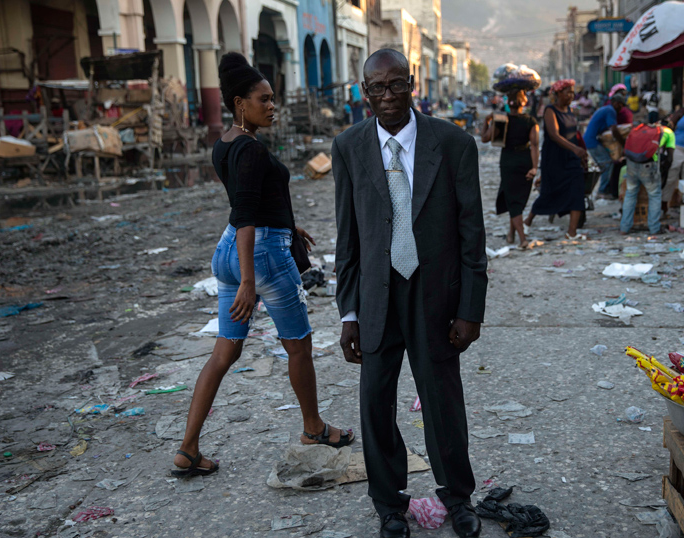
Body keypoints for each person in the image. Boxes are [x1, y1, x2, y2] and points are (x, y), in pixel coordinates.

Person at [170, 53, 354, 479]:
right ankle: (313, 428)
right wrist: (249, 283)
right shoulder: (252, 150)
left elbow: (247, 202)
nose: (273, 106)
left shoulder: (225, 145)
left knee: (224, 352)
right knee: (298, 346)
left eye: (274, 99)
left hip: (229, 250)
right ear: (239, 103)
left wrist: (291, 226)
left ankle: (188, 448)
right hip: (260, 255)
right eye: (264, 99)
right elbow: (249, 215)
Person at [332, 49, 487, 538]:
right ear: (363, 93)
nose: (387, 96)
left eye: (396, 84)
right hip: (376, 298)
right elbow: (347, 238)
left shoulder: (454, 143)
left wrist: (470, 308)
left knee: (442, 400)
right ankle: (389, 505)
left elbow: (472, 233)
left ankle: (458, 499)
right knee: (376, 403)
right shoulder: (349, 147)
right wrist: (348, 312)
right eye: (376, 88)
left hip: (434, 296)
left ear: (412, 84)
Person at [523, 79, 588, 239]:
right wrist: (575, 149)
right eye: (568, 92)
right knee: (549, 192)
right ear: (558, 93)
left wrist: (581, 153)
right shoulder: (550, 110)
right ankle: (527, 221)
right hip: (555, 159)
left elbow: (574, 135)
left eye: (572, 92)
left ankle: (571, 233)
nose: (571, 95)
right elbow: (554, 134)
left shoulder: (571, 112)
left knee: (577, 191)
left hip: (571, 158)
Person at [482, 89, 539, 249]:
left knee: (513, 199)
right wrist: (534, 167)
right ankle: (521, 238)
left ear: (508, 103)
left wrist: (487, 121)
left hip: (508, 161)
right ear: (524, 102)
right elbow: (534, 145)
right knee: (518, 199)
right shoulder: (531, 121)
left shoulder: (501, 119)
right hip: (525, 160)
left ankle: (516, 236)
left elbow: (485, 138)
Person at [620, 120, 672, 236]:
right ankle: (654, 229)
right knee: (654, 196)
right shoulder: (668, 133)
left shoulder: (640, 129)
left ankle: (624, 228)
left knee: (630, 194)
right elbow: (670, 158)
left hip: (632, 164)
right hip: (649, 166)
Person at [584, 93, 627, 199]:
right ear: (616, 103)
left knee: (605, 164)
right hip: (592, 141)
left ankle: (604, 188)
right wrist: (624, 144)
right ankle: (602, 191)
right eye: (621, 105)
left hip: (591, 140)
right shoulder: (610, 111)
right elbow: (614, 130)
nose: (621, 108)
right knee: (607, 163)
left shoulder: (606, 109)